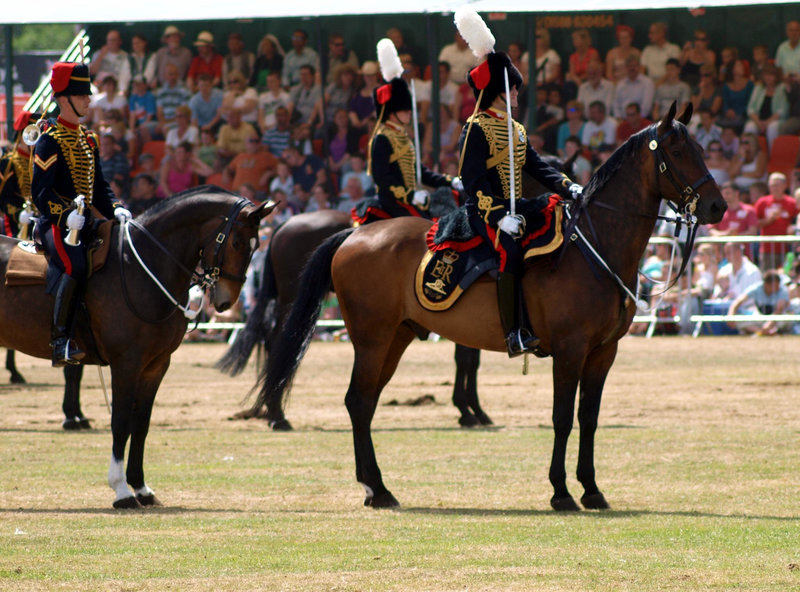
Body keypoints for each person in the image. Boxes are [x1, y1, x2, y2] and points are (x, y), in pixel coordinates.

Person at [455, 10, 579, 357]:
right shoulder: (476, 127)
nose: (516, 93)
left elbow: (539, 169)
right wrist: (497, 216)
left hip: (518, 205)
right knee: (510, 249)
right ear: (496, 89)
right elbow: (472, 182)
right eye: (511, 87)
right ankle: (514, 333)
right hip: (488, 213)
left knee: (557, 222)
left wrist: (569, 187)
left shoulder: (517, 130)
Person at [31, 62, 131, 366]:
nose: (89, 99)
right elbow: (40, 192)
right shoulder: (48, 140)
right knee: (73, 264)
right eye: (83, 94)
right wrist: (64, 216)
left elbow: (99, 187)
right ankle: (60, 339)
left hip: (87, 221)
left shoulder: (89, 139)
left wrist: (116, 208)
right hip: (57, 224)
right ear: (65, 99)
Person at [367, 39, 458, 220]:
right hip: (392, 203)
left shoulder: (403, 136)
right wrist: (410, 195)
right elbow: (382, 179)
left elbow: (421, 173)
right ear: (392, 112)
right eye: (405, 110)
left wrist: (450, 181)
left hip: (411, 200)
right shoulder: (382, 139)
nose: (409, 113)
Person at [0, 111, 37, 237]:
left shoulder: (44, 162)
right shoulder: (7, 163)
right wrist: (18, 214)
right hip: (16, 225)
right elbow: (3, 198)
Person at [754, 172, 798, 271]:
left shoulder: (792, 203)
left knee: (787, 277)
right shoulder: (762, 202)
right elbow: (755, 223)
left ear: (784, 186)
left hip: (788, 249)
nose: (774, 188)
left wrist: (792, 228)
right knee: (768, 277)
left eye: (777, 185)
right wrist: (769, 220)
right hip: (767, 249)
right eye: (772, 185)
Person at [728, 269, 790, 335]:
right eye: (775, 286)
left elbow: (779, 310)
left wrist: (769, 324)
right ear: (766, 284)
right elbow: (738, 301)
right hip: (760, 318)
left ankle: (764, 331)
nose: (777, 288)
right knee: (739, 320)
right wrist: (731, 315)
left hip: (776, 320)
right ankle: (763, 331)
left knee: (786, 320)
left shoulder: (782, 290)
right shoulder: (756, 288)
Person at [743, 64, 789, 149]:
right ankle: (751, 156)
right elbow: (750, 108)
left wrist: (767, 122)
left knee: (772, 127)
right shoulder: (758, 87)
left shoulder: (782, 88)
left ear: (776, 76)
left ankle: (772, 155)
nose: (768, 77)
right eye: (766, 75)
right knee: (749, 127)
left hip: (776, 120)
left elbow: (782, 110)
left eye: (771, 75)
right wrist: (757, 122)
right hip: (759, 120)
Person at [613, 55, 656, 119]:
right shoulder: (620, 85)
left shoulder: (647, 83)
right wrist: (619, 118)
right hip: (623, 120)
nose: (632, 68)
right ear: (626, 68)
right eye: (629, 66)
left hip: (641, 120)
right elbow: (616, 105)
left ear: (639, 67)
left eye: (634, 66)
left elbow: (646, 108)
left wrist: (634, 119)